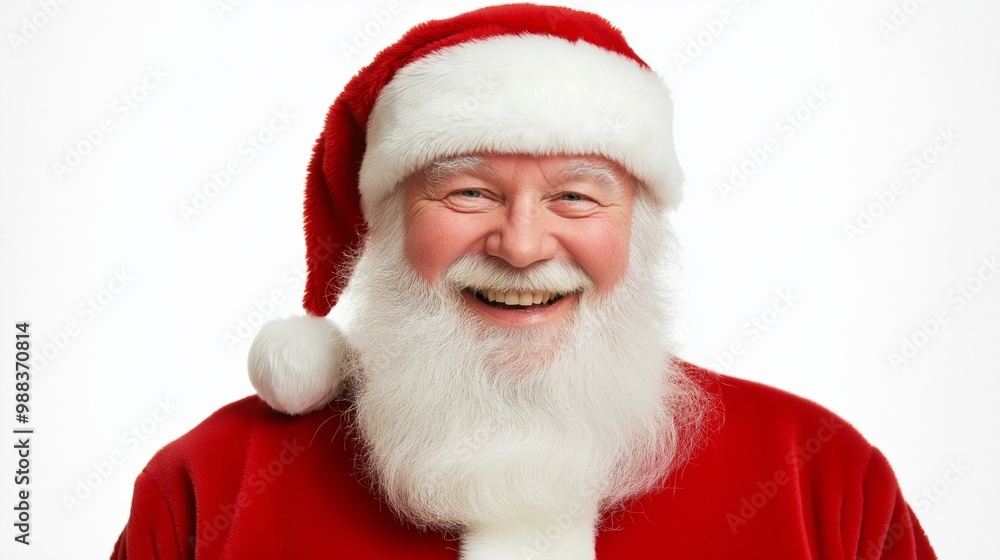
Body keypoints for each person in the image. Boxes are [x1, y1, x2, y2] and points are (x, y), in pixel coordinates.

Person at [111, 4, 936, 559]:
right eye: (468, 192)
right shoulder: (210, 486)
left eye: (576, 195)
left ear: (637, 228)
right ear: (392, 221)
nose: (522, 243)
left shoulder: (820, 479)